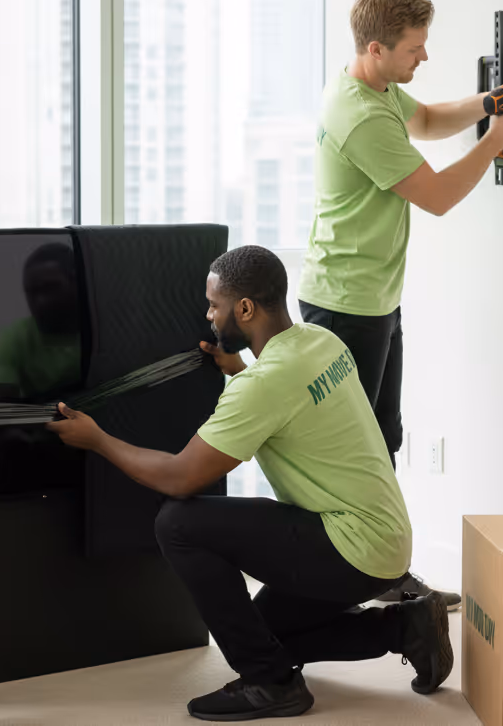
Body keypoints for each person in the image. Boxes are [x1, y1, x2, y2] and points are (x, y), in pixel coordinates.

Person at [48, 245, 452, 722]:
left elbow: (180, 478)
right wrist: (239, 368)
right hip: (386, 543)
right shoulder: (319, 341)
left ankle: (271, 685)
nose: (208, 315)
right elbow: (289, 400)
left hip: (353, 551)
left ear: (244, 309)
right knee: (264, 637)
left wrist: (97, 440)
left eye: (213, 304)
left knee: (178, 522)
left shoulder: (264, 384)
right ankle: (406, 627)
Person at [297, 0, 503, 605]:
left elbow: (424, 120)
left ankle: (386, 574)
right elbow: (439, 197)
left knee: (383, 437)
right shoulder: (362, 116)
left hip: (372, 298)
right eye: (414, 48)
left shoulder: (377, 90)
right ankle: (348, 582)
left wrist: (489, 102)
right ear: (376, 48)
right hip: (344, 304)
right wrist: (494, 140)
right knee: (356, 451)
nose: (424, 57)